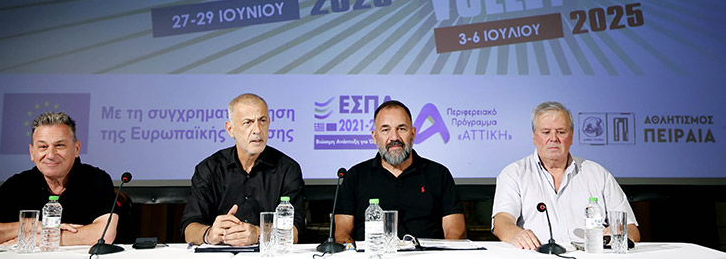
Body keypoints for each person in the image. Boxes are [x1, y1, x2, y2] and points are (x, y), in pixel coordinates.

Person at [492, 101, 640, 250]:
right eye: (546, 132)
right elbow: (502, 220)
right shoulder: (514, 173)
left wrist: (620, 232)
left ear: (571, 136)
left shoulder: (597, 174)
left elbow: (631, 228)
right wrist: (514, 233)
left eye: (561, 132)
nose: (554, 138)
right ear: (534, 137)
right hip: (537, 255)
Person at [0, 112, 118, 246]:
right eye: (43, 147)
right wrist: (33, 226)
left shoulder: (96, 179)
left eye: (60, 145)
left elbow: (104, 234)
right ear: (32, 152)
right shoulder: (18, 184)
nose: (50, 155)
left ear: (76, 149)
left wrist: (39, 239)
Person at [334, 100, 466, 244]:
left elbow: (455, 231)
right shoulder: (356, 176)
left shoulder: (439, 174)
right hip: (372, 254)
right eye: (385, 130)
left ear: (413, 134)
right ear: (374, 137)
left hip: (428, 254)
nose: (394, 137)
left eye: (401, 129)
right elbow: (342, 233)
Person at [181, 93, 305, 246]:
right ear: (230, 129)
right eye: (248, 122)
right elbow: (189, 229)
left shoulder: (287, 169)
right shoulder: (209, 169)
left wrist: (258, 234)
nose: (257, 130)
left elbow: (295, 231)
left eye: (262, 121)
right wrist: (209, 234)